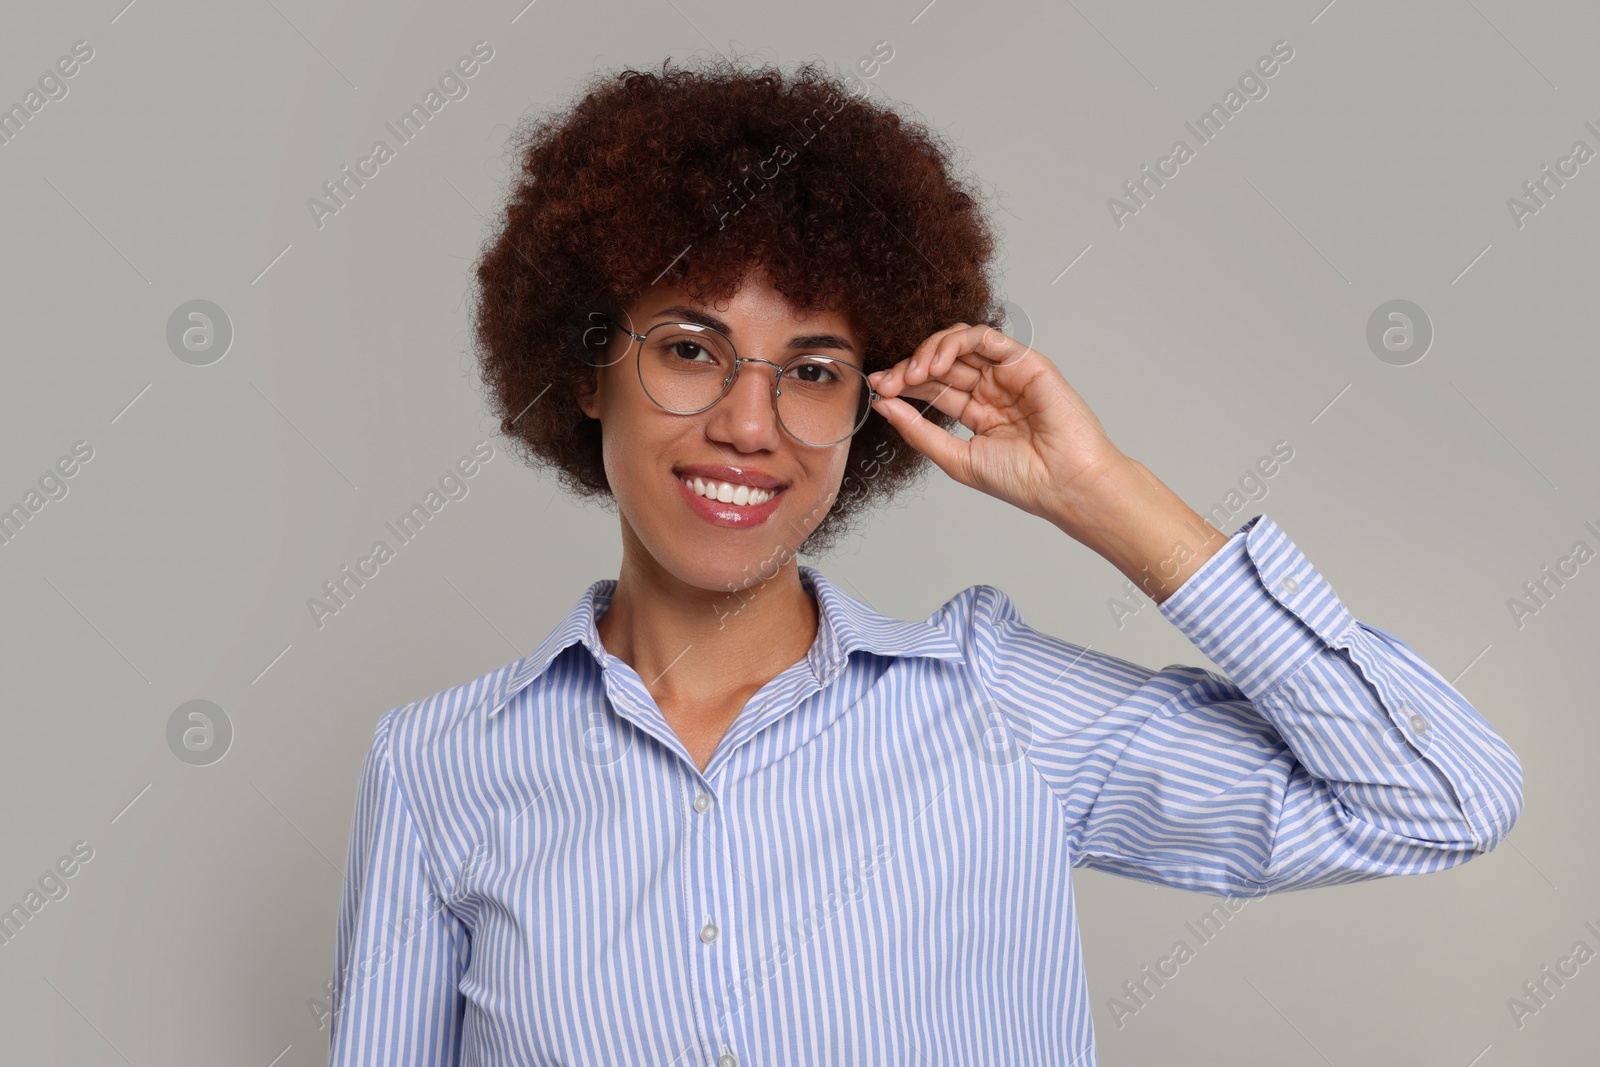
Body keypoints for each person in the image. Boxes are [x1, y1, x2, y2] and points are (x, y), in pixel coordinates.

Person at [326, 57, 1522, 1066]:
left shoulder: (994, 708)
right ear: (587, 368)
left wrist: (1103, 498)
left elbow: (1441, 798)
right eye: (690, 349)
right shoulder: (442, 768)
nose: (751, 424)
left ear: (869, 403)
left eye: (810, 368)